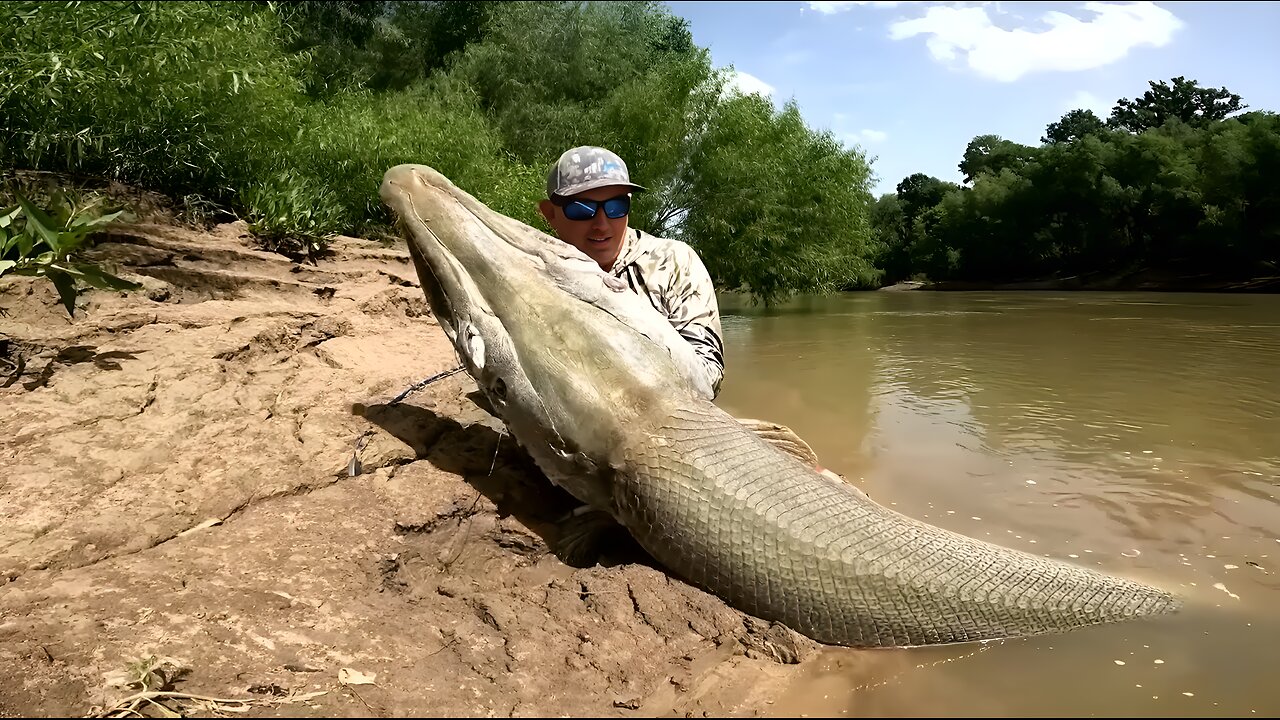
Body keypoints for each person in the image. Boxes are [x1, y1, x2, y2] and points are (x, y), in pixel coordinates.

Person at [538, 146, 725, 400]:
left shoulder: (674, 262)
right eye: (582, 209)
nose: (601, 224)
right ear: (550, 214)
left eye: (616, 206)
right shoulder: (536, 272)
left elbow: (708, 376)